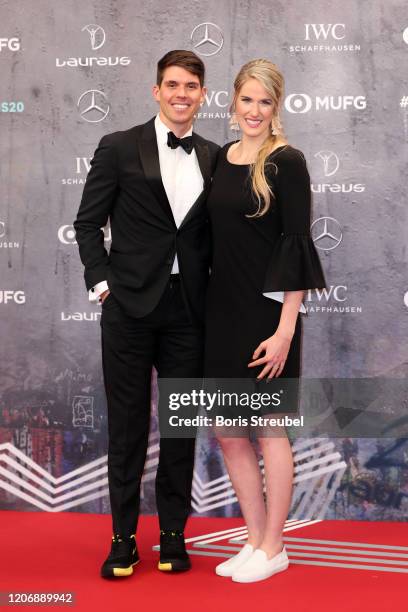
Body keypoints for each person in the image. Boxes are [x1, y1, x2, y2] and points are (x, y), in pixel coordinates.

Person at [74, 50, 219, 578]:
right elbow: (87, 223)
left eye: (192, 86)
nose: (182, 94)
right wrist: (101, 283)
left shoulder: (213, 155)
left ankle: (175, 538)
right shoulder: (117, 147)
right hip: (128, 308)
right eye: (173, 85)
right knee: (128, 428)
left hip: (189, 310)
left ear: (203, 94)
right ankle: (122, 540)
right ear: (156, 90)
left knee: (180, 426)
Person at [204, 59, 326, 583]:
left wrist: (285, 329)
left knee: (270, 430)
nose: (255, 110)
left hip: (266, 316)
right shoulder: (220, 160)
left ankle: (276, 546)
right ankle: (254, 541)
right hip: (220, 311)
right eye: (247, 99)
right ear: (233, 102)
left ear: (277, 107)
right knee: (229, 433)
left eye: (265, 101)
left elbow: (296, 248)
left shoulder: (287, 162)